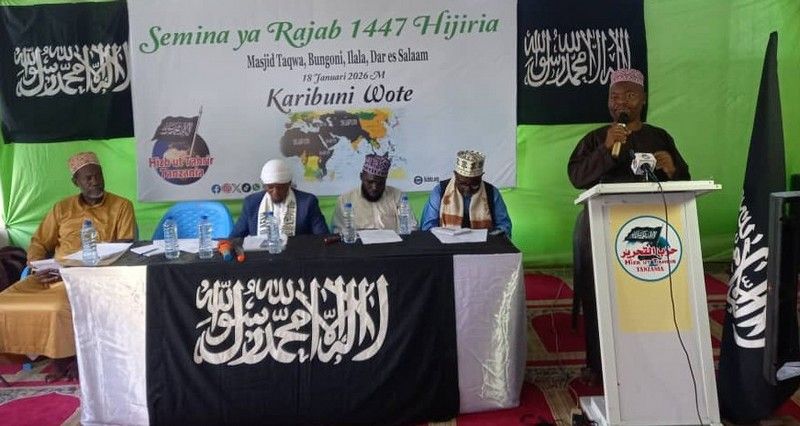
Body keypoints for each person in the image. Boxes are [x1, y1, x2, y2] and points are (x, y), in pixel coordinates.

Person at [567, 68, 690, 386]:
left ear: (643, 99)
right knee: (600, 297)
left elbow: (684, 181)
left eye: (630, 95)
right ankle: (599, 366)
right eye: (615, 96)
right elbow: (578, 178)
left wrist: (672, 170)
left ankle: (652, 360)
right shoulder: (596, 138)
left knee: (648, 296)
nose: (621, 102)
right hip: (600, 229)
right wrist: (606, 149)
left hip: (649, 233)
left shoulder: (660, 137)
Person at [0, 152, 137, 381]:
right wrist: (36, 267)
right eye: (88, 178)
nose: (95, 182)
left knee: (57, 308)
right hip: (51, 274)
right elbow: (39, 242)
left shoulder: (121, 206)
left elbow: (125, 246)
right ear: (76, 182)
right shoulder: (62, 208)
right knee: (5, 302)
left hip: (91, 277)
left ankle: (64, 361)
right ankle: (18, 357)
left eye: (98, 175)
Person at [420, 150, 512, 237]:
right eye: (462, 184)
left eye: (474, 184)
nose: (467, 189)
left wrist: (490, 236)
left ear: (481, 177)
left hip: (484, 245)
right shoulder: (440, 191)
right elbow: (427, 226)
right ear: (455, 175)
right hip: (446, 244)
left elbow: (504, 225)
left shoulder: (491, 192)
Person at [230, 158, 329, 238]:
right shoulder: (251, 203)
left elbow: (322, 237)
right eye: (270, 187)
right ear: (264, 186)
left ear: (289, 184)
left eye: (280, 187)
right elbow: (234, 238)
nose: (275, 192)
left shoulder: (307, 202)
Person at [331, 153, 416, 233]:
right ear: (361, 177)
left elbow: (412, 227)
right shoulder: (345, 200)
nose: (375, 187)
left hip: (392, 243)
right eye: (370, 182)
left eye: (380, 183)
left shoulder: (397, 196)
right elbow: (338, 231)